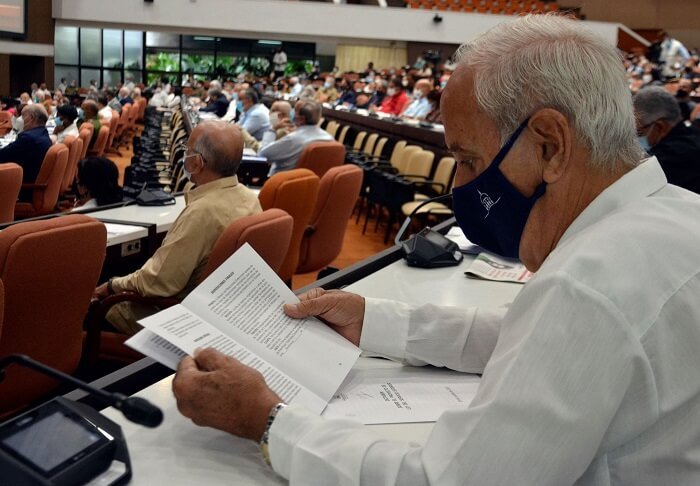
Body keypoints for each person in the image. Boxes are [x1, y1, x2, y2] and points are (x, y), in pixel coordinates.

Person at [172, 15, 700, 485]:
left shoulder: (590, 282)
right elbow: (531, 336)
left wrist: (268, 421)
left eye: (469, 161)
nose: (462, 184)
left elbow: (446, 478)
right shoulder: (677, 214)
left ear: (550, 145)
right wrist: (372, 321)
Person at [94, 121, 262, 334]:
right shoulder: (250, 198)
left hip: (176, 316)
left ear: (197, 163)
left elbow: (156, 284)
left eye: (187, 151)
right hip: (222, 308)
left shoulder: (202, 212)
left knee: (90, 304)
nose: (184, 155)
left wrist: (109, 286)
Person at [634, 86, 700, 194]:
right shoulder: (693, 134)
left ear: (660, 126)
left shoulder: (666, 158)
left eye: (639, 132)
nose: (637, 138)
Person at [258, 100, 333, 175]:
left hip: (281, 183)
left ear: (302, 119)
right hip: (313, 183)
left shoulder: (293, 139)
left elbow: (262, 155)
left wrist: (272, 130)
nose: (292, 113)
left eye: (295, 111)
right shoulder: (330, 138)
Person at [0, 104, 52, 202]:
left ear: (31, 118)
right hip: (34, 184)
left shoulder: (28, 138)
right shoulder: (42, 132)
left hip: (22, 190)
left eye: (22, 116)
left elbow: (2, 156)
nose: (19, 119)